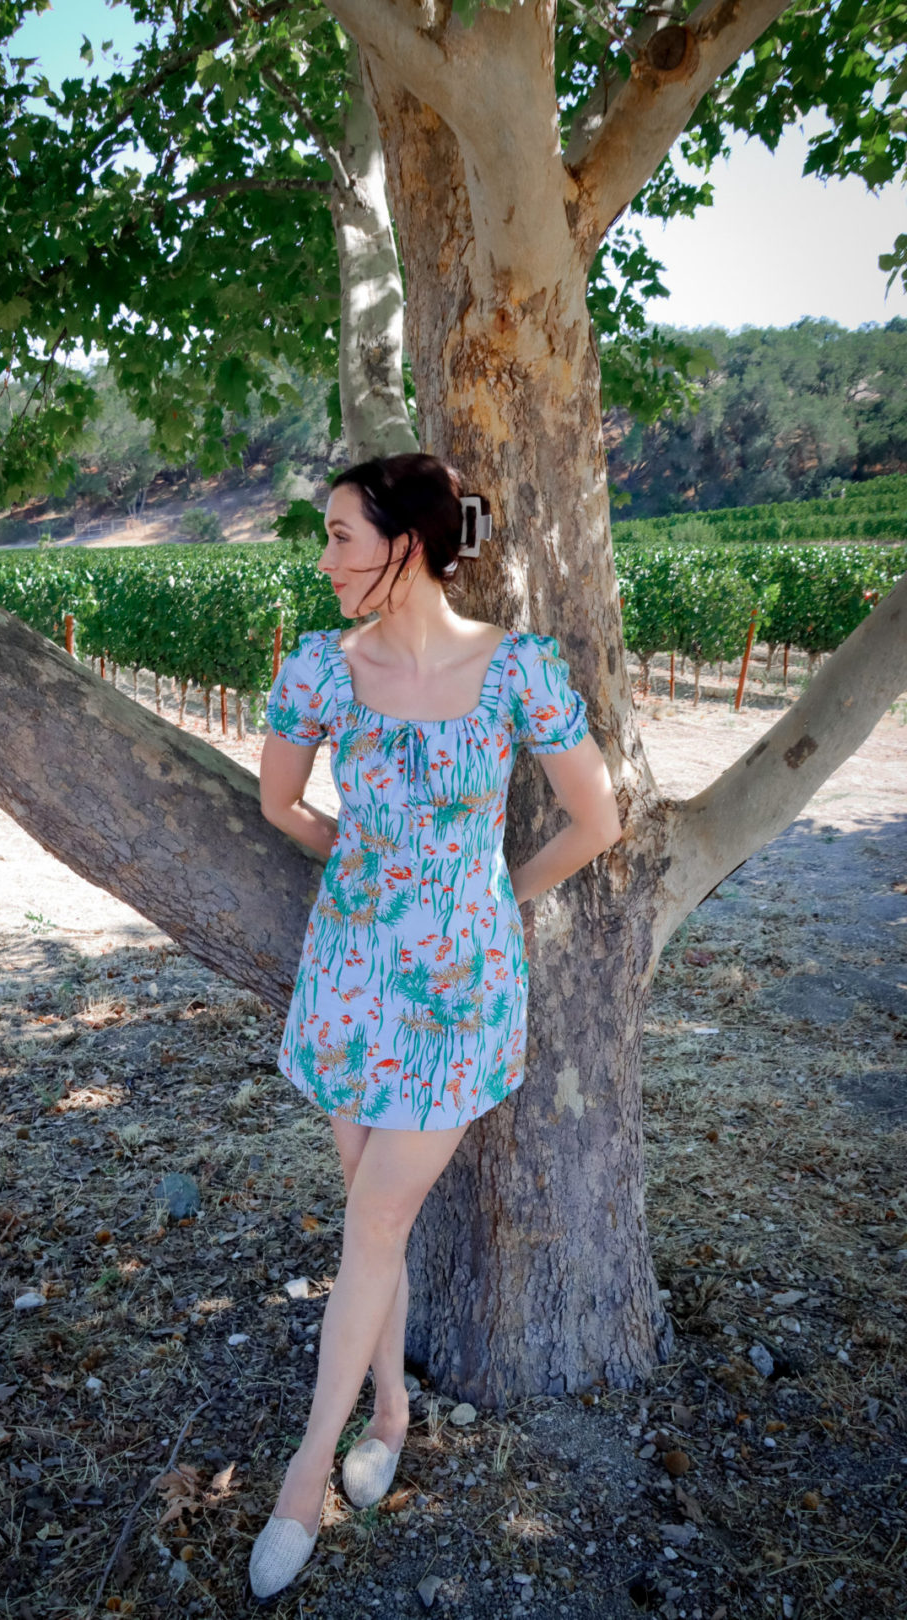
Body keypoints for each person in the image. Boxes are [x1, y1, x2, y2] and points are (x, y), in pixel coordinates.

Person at [250, 453, 622, 1599]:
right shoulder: (323, 665)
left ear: (405, 541)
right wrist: (366, 866)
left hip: (456, 995)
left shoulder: (516, 670)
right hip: (352, 975)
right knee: (379, 1217)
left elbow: (597, 818)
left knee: (372, 1222)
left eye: (341, 535)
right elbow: (279, 802)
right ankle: (395, 1409)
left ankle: (305, 1478)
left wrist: (492, 897)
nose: (324, 559)